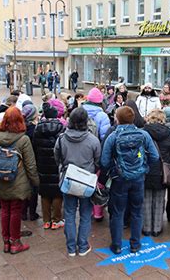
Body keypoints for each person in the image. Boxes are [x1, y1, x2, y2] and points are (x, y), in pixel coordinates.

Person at [100, 106, 159, 255]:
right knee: (137, 212)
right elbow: (155, 156)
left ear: (118, 119)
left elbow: (104, 161)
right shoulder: (143, 134)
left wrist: (114, 170)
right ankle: (135, 244)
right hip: (139, 178)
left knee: (118, 212)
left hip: (120, 179)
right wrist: (144, 168)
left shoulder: (113, 136)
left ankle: (117, 245)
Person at [54, 108, 101, 256]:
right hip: (86, 182)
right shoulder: (93, 140)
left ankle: (70, 248)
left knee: (69, 213)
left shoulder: (61, 138)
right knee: (86, 214)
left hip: (68, 180)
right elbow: (98, 161)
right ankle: (82, 245)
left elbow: (57, 158)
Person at [0, 107, 39, 254]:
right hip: (18, 180)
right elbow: (30, 164)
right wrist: (35, 182)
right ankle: (15, 242)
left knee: (5, 210)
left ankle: (6, 242)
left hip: (0, 179)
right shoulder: (23, 139)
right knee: (15, 211)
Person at [33, 102, 65, 230]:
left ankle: (46, 221)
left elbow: (35, 146)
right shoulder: (61, 128)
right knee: (57, 192)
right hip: (56, 165)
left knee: (45, 192)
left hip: (42, 163)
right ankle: (56, 219)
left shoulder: (38, 129)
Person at [142, 109, 170, 237]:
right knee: (160, 200)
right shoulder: (168, 133)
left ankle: (147, 228)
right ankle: (157, 228)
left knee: (147, 200)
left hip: (147, 170)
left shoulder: (144, 133)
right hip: (162, 170)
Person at [21, 103, 40, 221]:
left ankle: (23, 212)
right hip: (34, 161)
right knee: (34, 187)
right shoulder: (35, 130)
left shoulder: (20, 129)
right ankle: (32, 212)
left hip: (22, 162)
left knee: (23, 186)